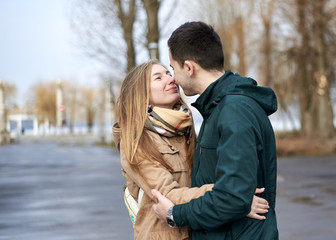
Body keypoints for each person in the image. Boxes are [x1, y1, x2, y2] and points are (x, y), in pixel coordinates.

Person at [113, 59, 270, 239]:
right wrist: (231, 197)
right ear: (140, 94)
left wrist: (230, 200)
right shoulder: (136, 140)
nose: (170, 79)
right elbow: (168, 195)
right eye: (158, 78)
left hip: (197, 230)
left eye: (169, 73)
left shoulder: (185, 130)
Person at [152, 21, 279, 239]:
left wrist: (174, 214)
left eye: (173, 68)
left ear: (189, 68)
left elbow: (232, 198)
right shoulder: (219, 108)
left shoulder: (234, 111)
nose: (173, 78)